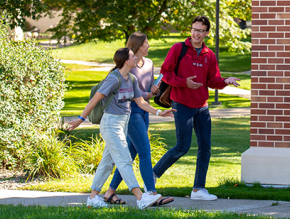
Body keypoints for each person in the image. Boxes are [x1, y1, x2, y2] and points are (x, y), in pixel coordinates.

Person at [66, 48, 175, 209]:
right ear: (126, 61)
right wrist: (80, 119)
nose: (135, 57)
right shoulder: (114, 78)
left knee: (107, 162)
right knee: (124, 160)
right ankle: (140, 198)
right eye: (132, 56)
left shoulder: (131, 79)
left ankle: (93, 198)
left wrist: (160, 112)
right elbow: (94, 100)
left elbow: (141, 102)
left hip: (122, 124)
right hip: (110, 124)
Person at [152, 15, 240, 201]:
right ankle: (151, 177)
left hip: (202, 107)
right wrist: (184, 83)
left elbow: (212, 80)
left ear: (207, 33)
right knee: (182, 146)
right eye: (194, 29)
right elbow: (165, 73)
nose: (196, 33)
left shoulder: (209, 55)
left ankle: (198, 190)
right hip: (181, 104)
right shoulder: (179, 48)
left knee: (205, 147)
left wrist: (225, 81)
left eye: (200, 30)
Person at [104, 33, 173, 206]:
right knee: (144, 151)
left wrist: (154, 90)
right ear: (139, 46)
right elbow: (128, 89)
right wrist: (147, 94)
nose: (149, 46)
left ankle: (110, 193)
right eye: (147, 43)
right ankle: (152, 193)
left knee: (131, 154)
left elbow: (147, 89)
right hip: (132, 111)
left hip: (144, 111)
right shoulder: (129, 64)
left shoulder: (148, 63)